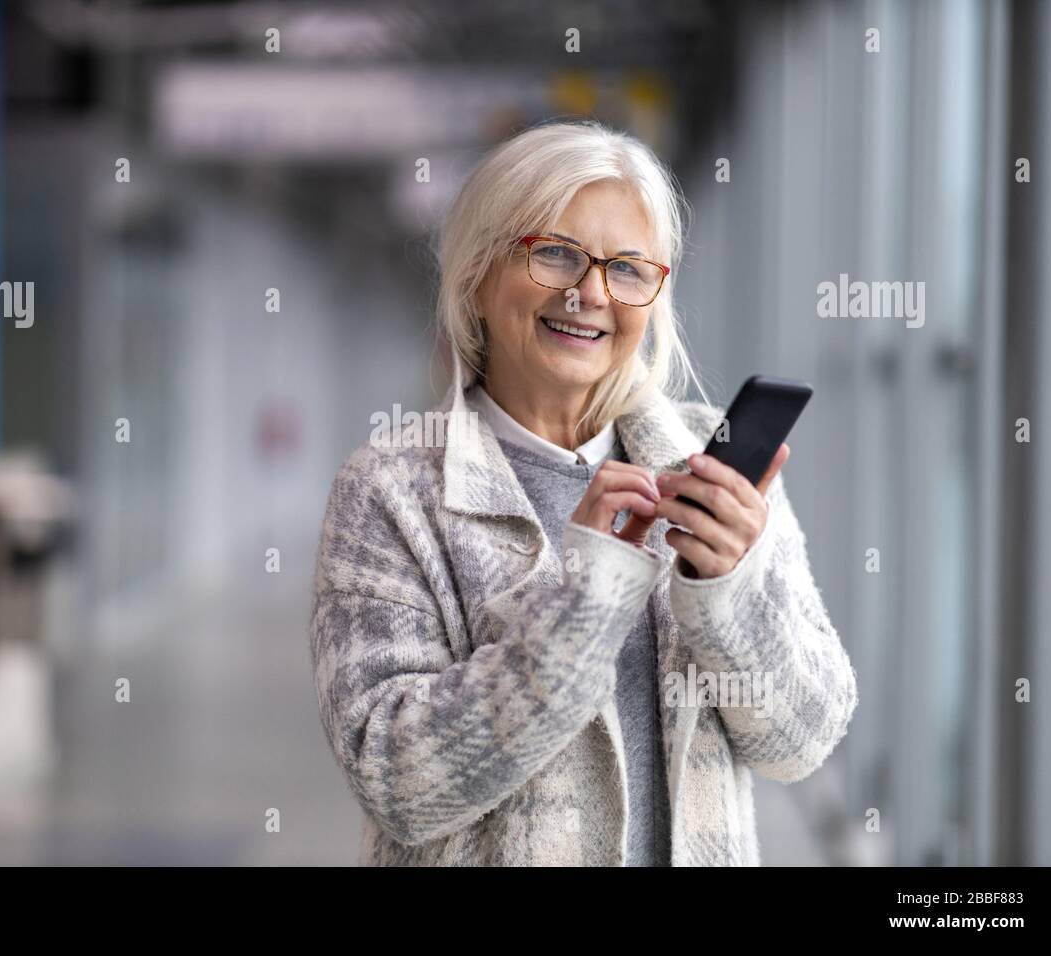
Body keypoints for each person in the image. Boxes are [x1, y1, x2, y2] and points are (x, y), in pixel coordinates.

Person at [309, 119, 858, 866]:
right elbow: (400, 784)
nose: (590, 293)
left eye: (629, 268)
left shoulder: (708, 467)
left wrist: (729, 591)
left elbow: (803, 740)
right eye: (556, 255)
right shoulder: (393, 490)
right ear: (477, 271)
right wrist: (587, 598)